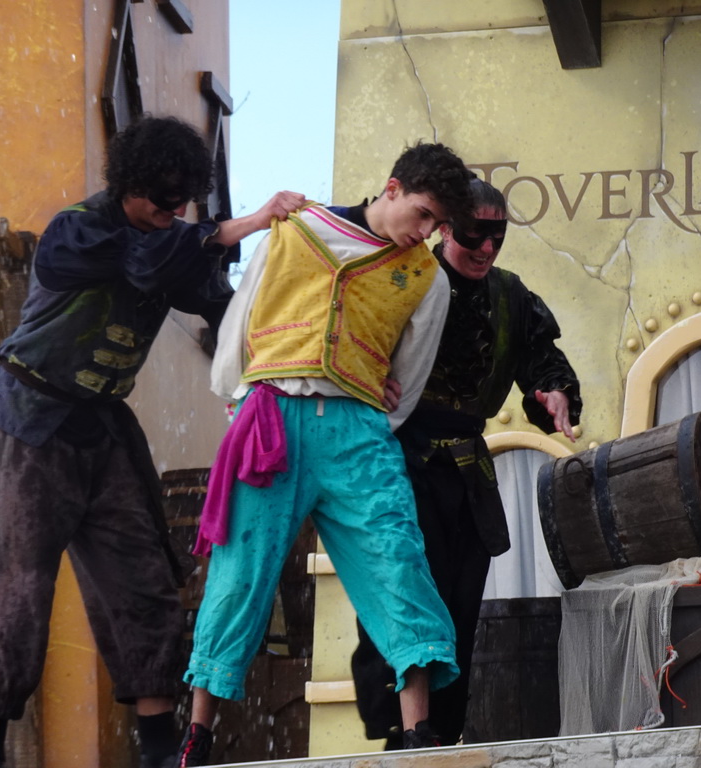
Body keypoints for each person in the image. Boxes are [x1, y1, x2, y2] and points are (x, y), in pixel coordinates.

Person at [0, 114, 305, 768]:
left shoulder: (178, 241)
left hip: (103, 426)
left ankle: (158, 754)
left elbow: (225, 312)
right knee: (19, 589)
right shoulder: (76, 231)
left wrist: (297, 360)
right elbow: (141, 258)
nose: (171, 213)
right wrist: (243, 223)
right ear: (128, 185)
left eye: (182, 204)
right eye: (161, 200)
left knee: (144, 580)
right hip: (29, 417)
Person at [172, 142, 475, 767]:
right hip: (269, 420)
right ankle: (197, 740)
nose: (425, 234)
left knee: (398, 563)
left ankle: (419, 737)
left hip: (357, 436)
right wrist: (241, 401)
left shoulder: (427, 279)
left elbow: (408, 380)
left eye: (437, 226)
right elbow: (241, 322)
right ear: (391, 188)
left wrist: (359, 404)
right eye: (421, 214)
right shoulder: (295, 230)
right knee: (239, 574)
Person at [350, 179, 582, 749]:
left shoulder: (510, 295)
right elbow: (352, 344)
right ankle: (402, 733)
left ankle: (441, 736)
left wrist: (552, 392)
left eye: (496, 238)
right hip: (398, 465)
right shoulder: (402, 277)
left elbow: (542, 359)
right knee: (398, 597)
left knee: (457, 612)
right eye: (474, 236)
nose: (486, 249)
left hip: (466, 476)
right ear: (445, 228)